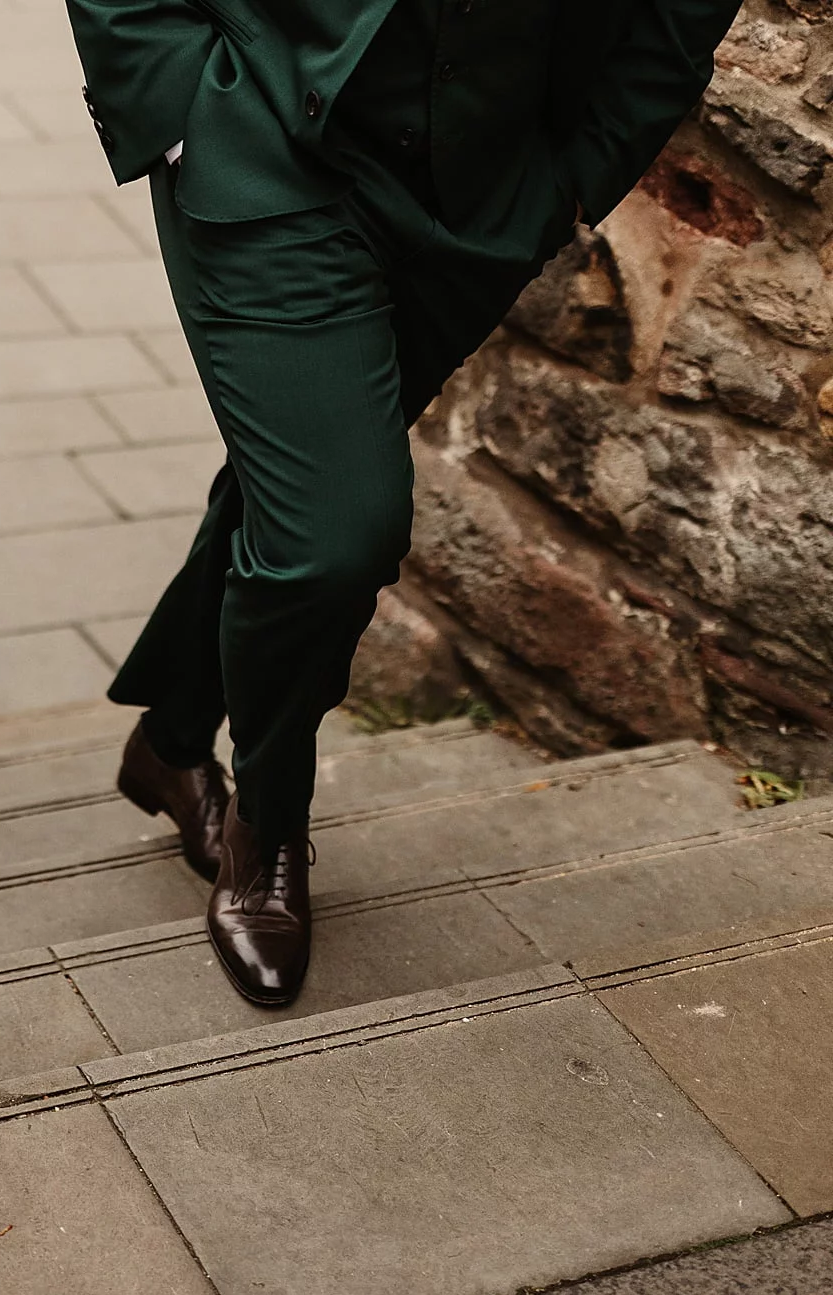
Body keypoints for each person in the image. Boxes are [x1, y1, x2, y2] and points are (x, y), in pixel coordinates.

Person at [66, 0, 743, 1007]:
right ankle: (268, 828)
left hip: (477, 200)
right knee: (335, 530)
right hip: (258, 139)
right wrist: (168, 100)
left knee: (300, 486)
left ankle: (170, 742)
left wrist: (573, 181)